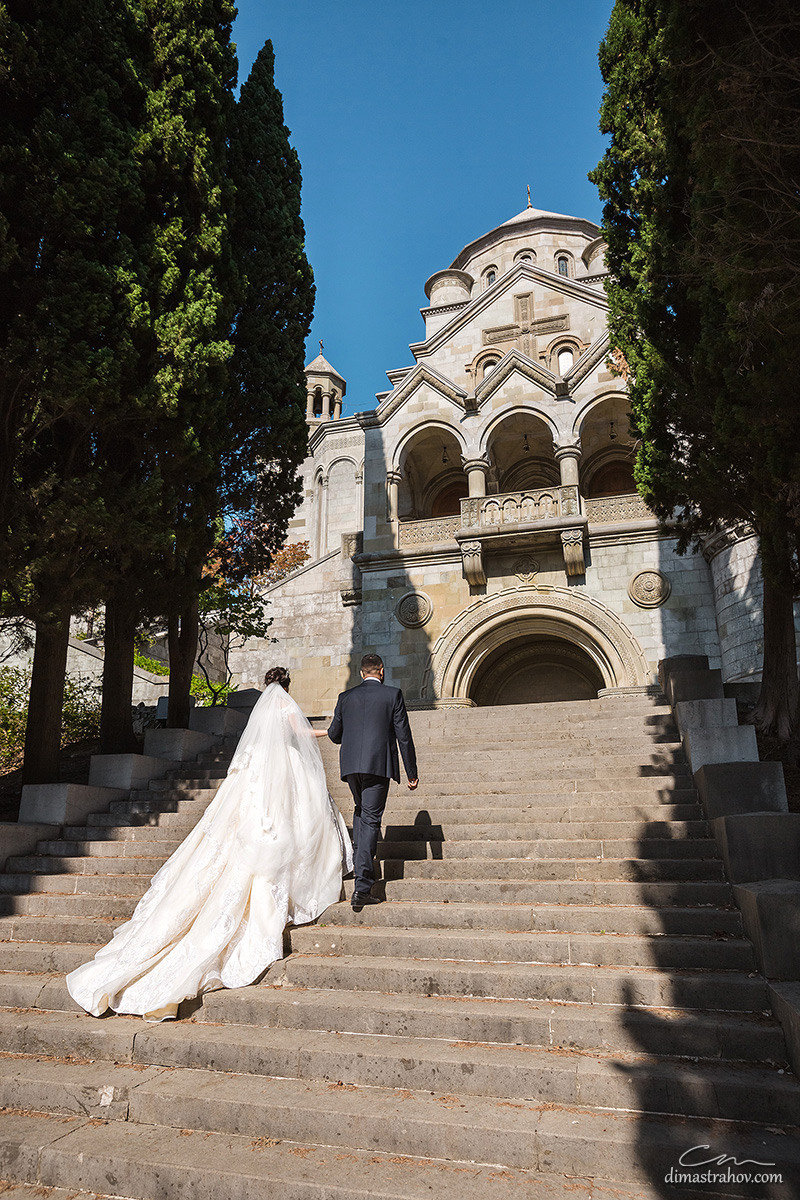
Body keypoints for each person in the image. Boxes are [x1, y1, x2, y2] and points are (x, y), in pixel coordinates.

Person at [66, 667, 352, 1022]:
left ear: (267, 685)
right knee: (295, 816)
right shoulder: (286, 706)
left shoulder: (262, 709)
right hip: (283, 773)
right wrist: (331, 729)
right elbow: (301, 732)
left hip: (253, 776)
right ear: (287, 686)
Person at [327, 653, 418, 912]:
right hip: (378, 766)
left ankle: (359, 865)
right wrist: (411, 772)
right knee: (370, 819)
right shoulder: (392, 695)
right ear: (381, 671)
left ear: (360, 673)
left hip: (351, 768)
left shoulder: (346, 698)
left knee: (361, 812)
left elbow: (334, 735)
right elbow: (404, 736)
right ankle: (362, 886)